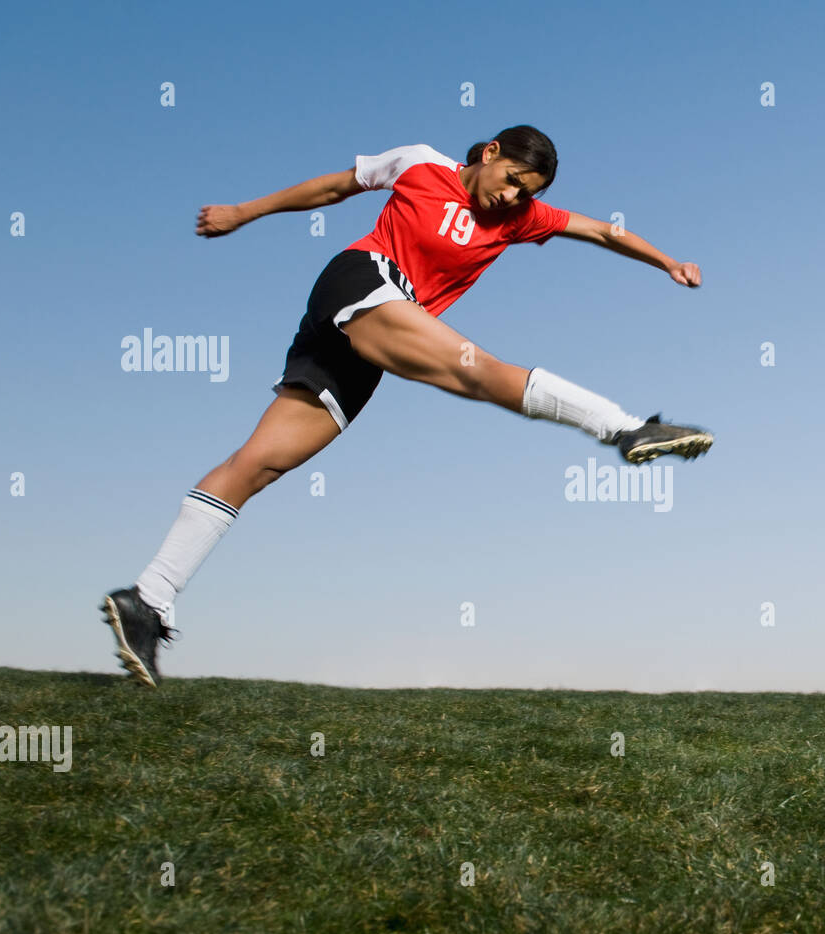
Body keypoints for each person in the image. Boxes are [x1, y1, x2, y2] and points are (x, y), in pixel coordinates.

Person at [101, 125, 714, 688]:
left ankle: (148, 599)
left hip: (370, 340)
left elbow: (604, 230)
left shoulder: (520, 220)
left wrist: (668, 262)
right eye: (510, 182)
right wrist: (243, 212)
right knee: (476, 372)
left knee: (261, 462)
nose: (512, 199)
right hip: (359, 281)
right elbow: (334, 186)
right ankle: (625, 429)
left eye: (527, 194)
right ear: (490, 154)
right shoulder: (421, 163)